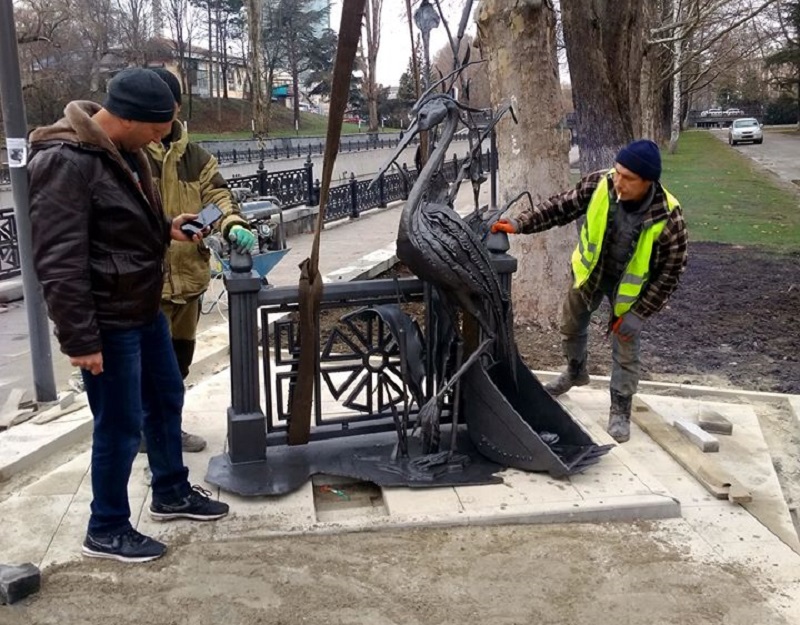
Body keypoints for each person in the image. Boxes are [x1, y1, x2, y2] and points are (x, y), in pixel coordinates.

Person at [28, 68, 229, 563]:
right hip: (107, 322)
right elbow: (58, 260)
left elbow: (115, 227)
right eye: (159, 127)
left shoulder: (126, 151)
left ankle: (171, 491)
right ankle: (107, 527)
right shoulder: (64, 161)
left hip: (143, 309)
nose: (164, 135)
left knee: (165, 398)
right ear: (127, 118)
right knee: (119, 425)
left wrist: (167, 228)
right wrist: (79, 340)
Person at [491, 139, 688, 443]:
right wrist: (519, 223)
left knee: (625, 346)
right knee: (570, 326)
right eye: (618, 172)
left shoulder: (669, 218)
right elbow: (560, 206)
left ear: (648, 182)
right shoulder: (601, 183)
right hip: (590, 276)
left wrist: (639, 314)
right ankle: (575, 371)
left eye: (628, 178)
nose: (619, 182)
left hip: (630, 293)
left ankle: (620, 408)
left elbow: (670, 273)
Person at [143, 67, 255, 454]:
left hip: (189, 279)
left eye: (171, 109)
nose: (166, 119)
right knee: (145, 371)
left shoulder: (197, 157)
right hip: (147, 287)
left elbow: (220, 198)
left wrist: (233, 223)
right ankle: (147, 433)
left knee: (178, 367)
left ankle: (169, 431)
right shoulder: (131, 154)